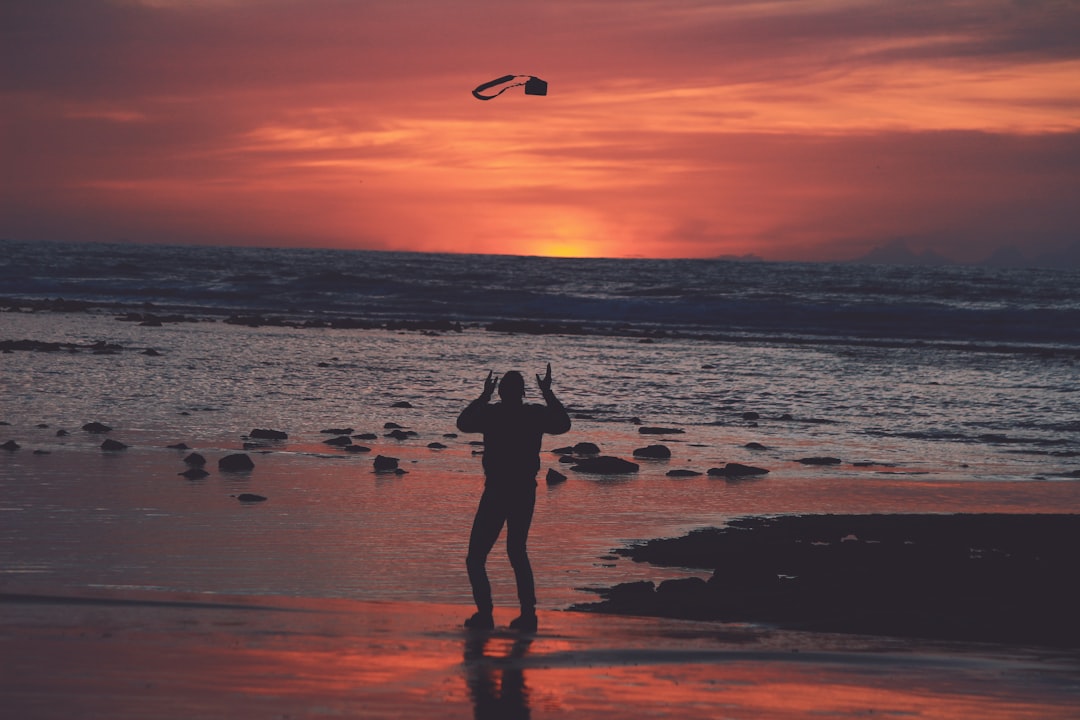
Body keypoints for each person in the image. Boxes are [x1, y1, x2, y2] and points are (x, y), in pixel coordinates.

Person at [456, 363, 571, 632]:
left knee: (476, 557)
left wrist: (483, 397)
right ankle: (527, 613)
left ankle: (485, 614)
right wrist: (548, 393)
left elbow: (462, 424)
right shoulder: (534, 414)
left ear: (500, 392)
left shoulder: (491, 413)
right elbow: (563, 425)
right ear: (522, 393)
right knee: (517, 551)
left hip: (497, 491)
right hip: (524, 491)